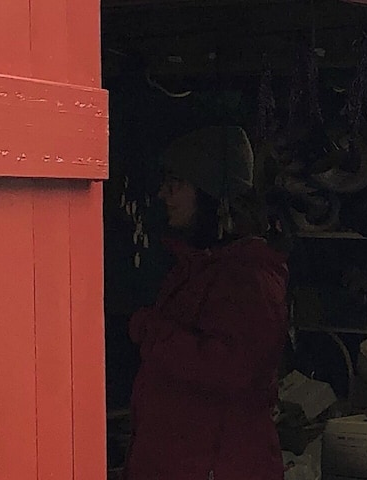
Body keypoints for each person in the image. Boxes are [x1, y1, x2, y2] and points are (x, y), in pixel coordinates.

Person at [124, 126, 289, 480]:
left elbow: (232, 369)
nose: (163, 194)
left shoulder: (249, 277)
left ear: (211, 193)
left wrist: (150, 330)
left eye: (176, 183)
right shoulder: (197, 266)